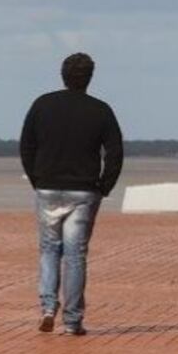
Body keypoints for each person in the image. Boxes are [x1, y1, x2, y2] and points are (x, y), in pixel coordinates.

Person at [19, 52, 123, 336]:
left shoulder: (43, 105)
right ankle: (73, 319)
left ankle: (48, 307)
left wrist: (36, 178)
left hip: (48, 186)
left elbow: (26, 145)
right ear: (90, 77)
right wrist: (105, 185)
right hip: (84, 190)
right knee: (75, 255)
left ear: (63, 75)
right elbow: (115, 152)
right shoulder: (101, 110)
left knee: (50, 249)